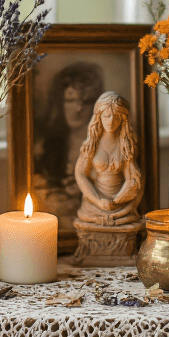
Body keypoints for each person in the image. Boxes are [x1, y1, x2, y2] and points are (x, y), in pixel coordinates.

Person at [33, 62, 104, 230]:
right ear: (60, 103)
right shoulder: (49, 146)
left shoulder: (107, 145)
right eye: (70, 100)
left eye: (85, 102)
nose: (78, 109)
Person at [75, 91, 144, 226]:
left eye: (116, 117)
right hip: (94, 204)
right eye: (106, 116)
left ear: (123, 119)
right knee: (92, 219)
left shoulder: (126, 145)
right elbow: (81, 174)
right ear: (99, 117)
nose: (111, 121)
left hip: (121, 204)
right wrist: (98, 201)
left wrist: (120, 199)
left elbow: (131, 178)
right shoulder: (92, 144)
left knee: (125, 220)